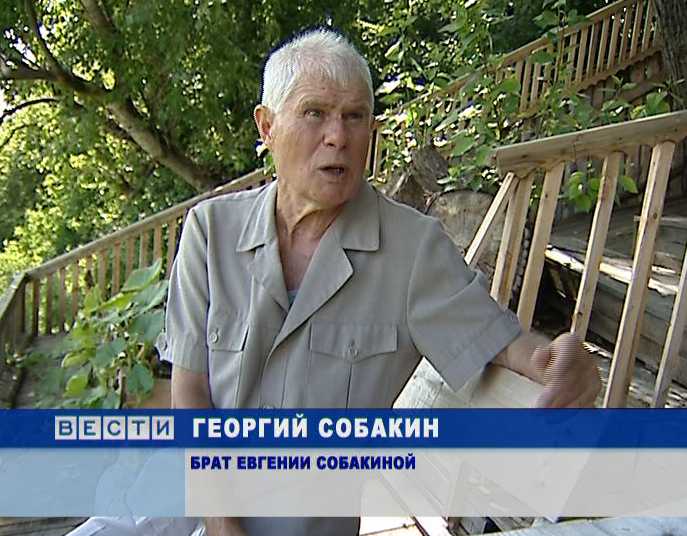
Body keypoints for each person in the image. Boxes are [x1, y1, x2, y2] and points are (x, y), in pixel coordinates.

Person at [70, 26, 601, 536]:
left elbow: (500, 342)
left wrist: (558, 358)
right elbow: (190, 389)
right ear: (267, 127)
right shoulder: (210, 232)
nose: (338, 137)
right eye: (315, 113)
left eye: (355, 117)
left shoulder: (412, 250)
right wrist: (220, 522)